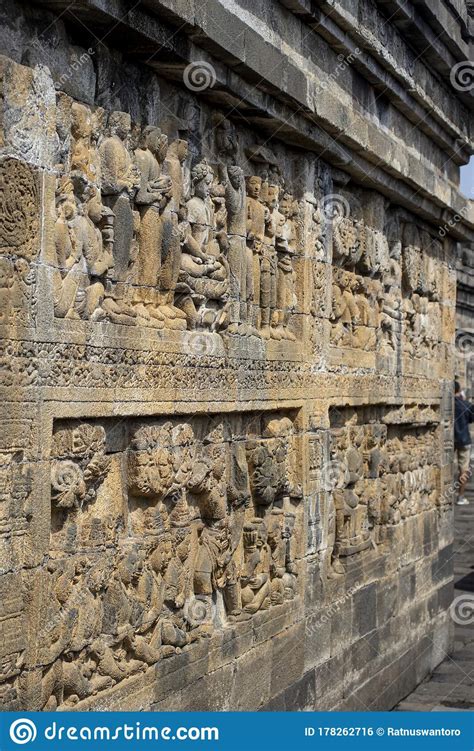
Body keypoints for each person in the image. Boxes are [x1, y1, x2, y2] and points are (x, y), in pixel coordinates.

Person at [454, 381, 473, 505]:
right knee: (464, 470)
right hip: (464, 439)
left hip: (451, 439)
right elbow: (471, 418)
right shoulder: (464, 404)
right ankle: (460, 496)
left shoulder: (447, 403)